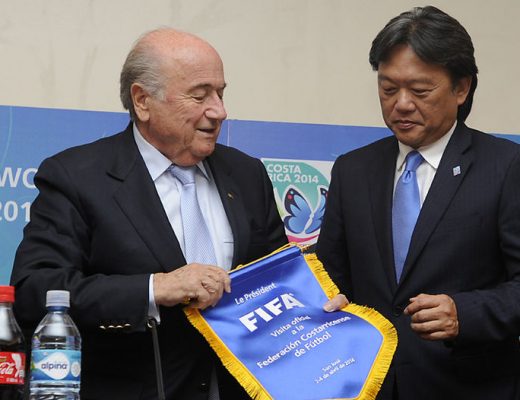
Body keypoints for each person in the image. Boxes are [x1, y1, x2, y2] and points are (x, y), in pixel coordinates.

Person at [10, 28, 291, 400]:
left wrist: (317, 311)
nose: (219, 111)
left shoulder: (247, 174)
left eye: (220, 93)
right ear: (142, 100)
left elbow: (280, 279)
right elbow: (36, 290)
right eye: (200, 95)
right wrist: (154, 289)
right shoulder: (77, 177)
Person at [316, 6, 520, 400]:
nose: (402, 104)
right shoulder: (352, 170)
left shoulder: (506, 167)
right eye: (388, 89)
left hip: (466, 386)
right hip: (367, 386)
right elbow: (332, 278)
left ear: (461, 89)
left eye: (420, 91)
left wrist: (465, 313)